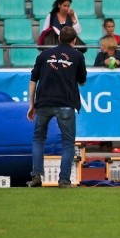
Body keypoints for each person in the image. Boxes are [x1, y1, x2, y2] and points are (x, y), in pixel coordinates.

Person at [26, 26, 87, 188]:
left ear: (59, 39)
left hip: (44, 102)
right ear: (74, 41)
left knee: (39, 139)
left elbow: (33, 80)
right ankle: (64, 180)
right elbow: (82, 81)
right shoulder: (78, 56)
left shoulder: (44, 55)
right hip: (66, 103)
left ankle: (37, 175)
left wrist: (32, 104)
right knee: (67, 143)